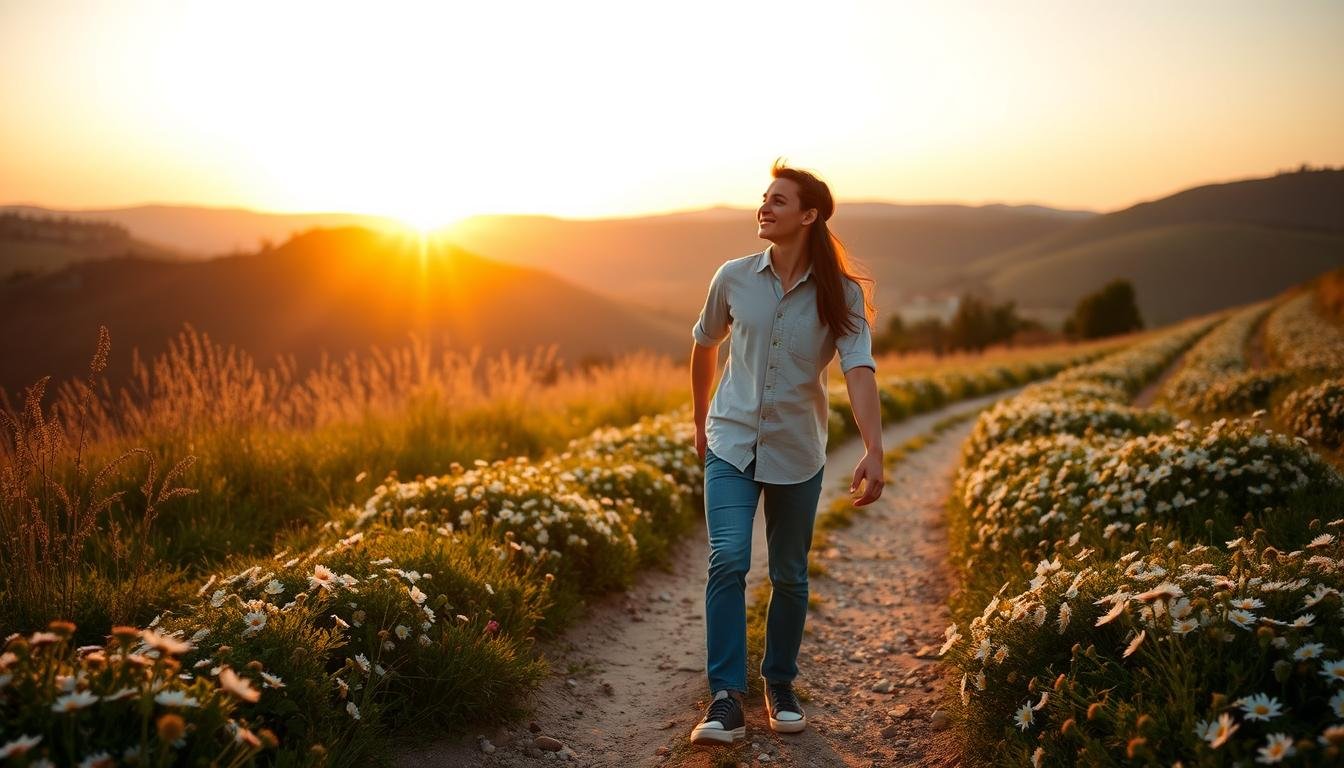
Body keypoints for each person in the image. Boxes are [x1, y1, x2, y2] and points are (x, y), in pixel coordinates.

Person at [688, 158, 885, 745]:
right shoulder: (733, 277)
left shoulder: (841, 294)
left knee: (791, 574)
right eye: (764, 197)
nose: (764, 206)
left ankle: (780, 683)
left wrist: (874, 448)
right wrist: (700, 420)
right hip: (730, 441)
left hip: (797, 450)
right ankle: (726, 697)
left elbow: (859, 370)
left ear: (809, 215)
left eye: (778, 199)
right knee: (728, 559)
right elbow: (704, 343)